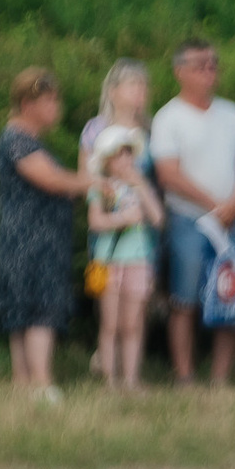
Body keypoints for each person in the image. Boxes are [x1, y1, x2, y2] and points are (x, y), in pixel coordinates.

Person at [149, 39, 235, 385]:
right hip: (189, 220)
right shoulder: (169, 117)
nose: (210, 71)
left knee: (231, 294)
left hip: (231, 219)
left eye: (213, 64)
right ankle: (185, 375)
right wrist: (214, 205)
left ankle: (220, 377)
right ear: (180, 72)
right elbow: (169, 174)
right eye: (200, 65)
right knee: (185, 297)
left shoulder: (234, 114)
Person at [0, 67, 93, 402]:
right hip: (29, 241)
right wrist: (94, 182)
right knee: (38, 307)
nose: (56, 107)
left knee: (26, 308)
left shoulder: (27, 140)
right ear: (26, 103)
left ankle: (25, 384)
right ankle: (40, 381)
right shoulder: (17, 140)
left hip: (36, 239)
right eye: (48, 100)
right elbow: (51, 179)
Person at [87, 126, 164, 391]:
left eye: (129, 155)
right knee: (110, 324)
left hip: (138, 261)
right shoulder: (101, 187)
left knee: (133, 323)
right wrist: (122, 219)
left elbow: (158, 218)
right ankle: (110, 380)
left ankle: (131, 380)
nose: (126, 161)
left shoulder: (140, 185)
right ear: (107, 160)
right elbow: (95, 221)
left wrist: (141, 186)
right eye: (119, 155)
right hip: (108, 261)